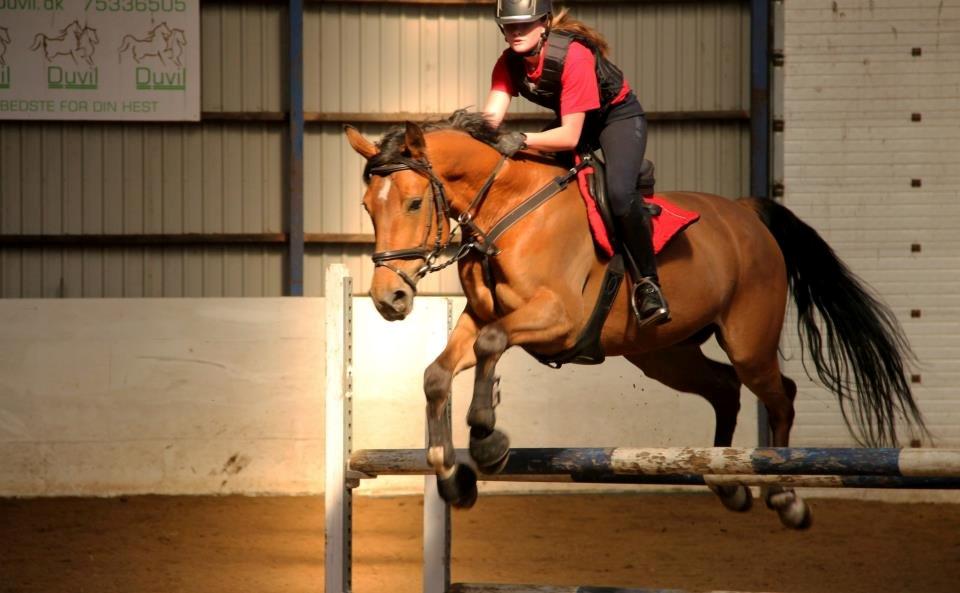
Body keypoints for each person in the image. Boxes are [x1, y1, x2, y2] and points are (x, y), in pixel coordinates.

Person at [483, 0, 669, 328]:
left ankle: (648, 284)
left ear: (544, 24)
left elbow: (569, 137)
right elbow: (490, 123)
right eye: (509, 26)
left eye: (523, 25)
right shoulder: (507, 63)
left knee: (617, 193)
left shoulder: (575, 56)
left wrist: (522, 138)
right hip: (576, 119)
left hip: (616, 117)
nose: (515, 32)